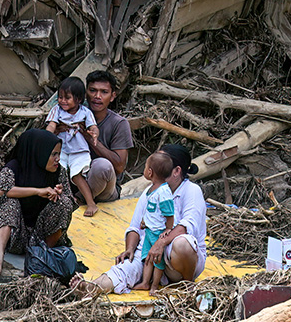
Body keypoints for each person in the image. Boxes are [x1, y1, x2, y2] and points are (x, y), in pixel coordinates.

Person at [73, 143, 208, 295]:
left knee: (182, 243)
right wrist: (130, 249)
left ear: (177, 171)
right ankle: (90, 288)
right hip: (149, 255)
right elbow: (135, 227)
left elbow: (187, 225)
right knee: (122, 270)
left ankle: (188, 284)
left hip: (177, 262)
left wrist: (161, 242)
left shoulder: (191, 190)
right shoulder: (150, 191)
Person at [0, 129, 75, 277]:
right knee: (10, 203)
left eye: (59, 154)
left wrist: (59, 193)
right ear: (38, 152)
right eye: (53, 154)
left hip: (41, 237)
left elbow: (71, 201)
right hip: (16, 235)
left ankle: (42, 256)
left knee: (64, 203)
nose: (58, 159)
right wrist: (37, 191)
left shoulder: (59, 172)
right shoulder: (15, 167)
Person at [45, 76, 100, 216]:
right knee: (58, 174)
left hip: (79, 150)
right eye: (60, 97)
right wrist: (44, 139)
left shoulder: (85, 112)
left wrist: (94, 133)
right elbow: (51, 125)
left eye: (67, 98)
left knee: (76, 175)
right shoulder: (56, 110)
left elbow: (93, 126)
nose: (62, 101)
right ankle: (64, 201)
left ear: (79, 99)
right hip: (61, 150)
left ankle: (91, 204)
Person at [82, 70, 133, 203]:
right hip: (76, 179)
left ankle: (79, 198)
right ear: (85, 93)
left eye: (104, 92)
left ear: (112, 96)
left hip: (105, 189)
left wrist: (91, 139)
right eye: (93, 90)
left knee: (102, 166)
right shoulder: (74, 116)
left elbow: (119, 166)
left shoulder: (119, 124)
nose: (97, 96)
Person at [133, 151, 176, 294]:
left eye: (145, 167)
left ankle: (154, 286)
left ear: (150, 172)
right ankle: (145, 282)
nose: (144, 170)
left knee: (158, 261)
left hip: (158, 232)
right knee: (147, 257)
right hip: (149, 231)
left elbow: (169, 213)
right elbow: (152, 210)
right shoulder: (152, 189)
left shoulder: (163, 192)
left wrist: (168, 229)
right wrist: (145, 222)